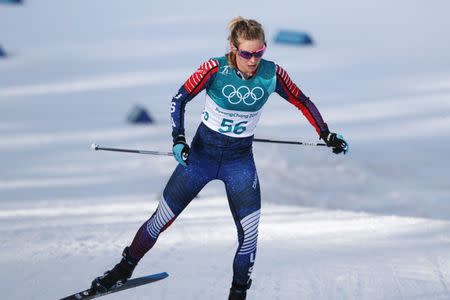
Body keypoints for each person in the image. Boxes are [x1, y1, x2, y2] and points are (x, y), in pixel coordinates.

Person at [90, 17, 348, 300]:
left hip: (239, 162)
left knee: (249, 236)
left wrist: (326, 134)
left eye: (259, 53)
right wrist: (178, 139)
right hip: (200, 158)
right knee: (160, 219)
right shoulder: (214, 69)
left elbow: (303, 101)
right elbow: (180, 99)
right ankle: (122, 269)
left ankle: (238, 294)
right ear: (233, 48)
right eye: (247, 53)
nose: (253, 60)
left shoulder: (272, 74)